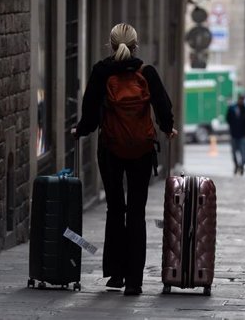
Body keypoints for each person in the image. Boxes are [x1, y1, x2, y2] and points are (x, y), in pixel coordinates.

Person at [72, 23, 177, 296]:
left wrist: (79, 131)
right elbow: (164, 108)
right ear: (135, 45)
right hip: (141, 150)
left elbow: (91, 115)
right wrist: (168, 128)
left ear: (110, 44)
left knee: (115, 209)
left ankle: (116, 275)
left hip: (111, 149)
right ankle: (134, 281)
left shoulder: (101, 72)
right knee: (137, 212)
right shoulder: (147, 73)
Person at [226, 94, 245, 176]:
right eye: (240, 99)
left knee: (243, 152)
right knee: (234, 152)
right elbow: (228, 119)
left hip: (243, 135)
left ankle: (241, 166)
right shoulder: (232, 109)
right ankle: (236, 165)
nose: (241, 101)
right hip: (234, 134)